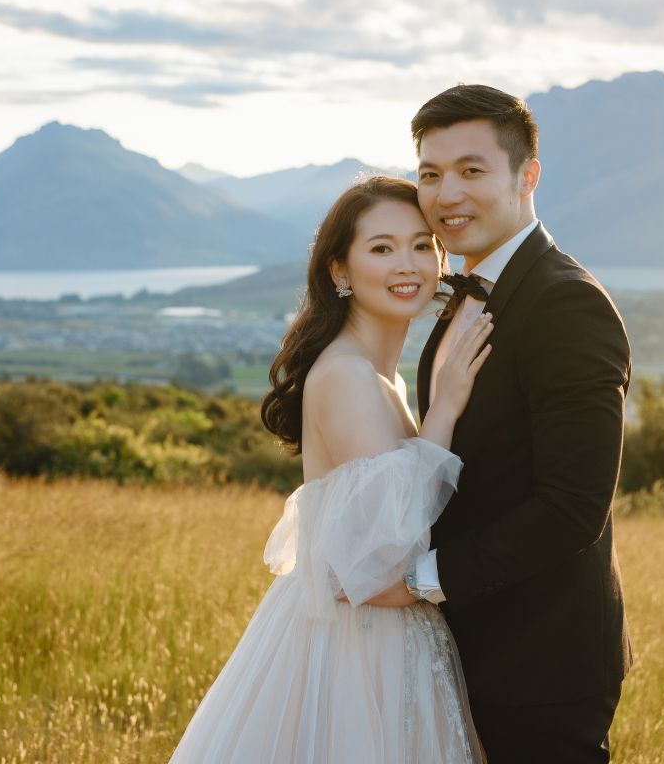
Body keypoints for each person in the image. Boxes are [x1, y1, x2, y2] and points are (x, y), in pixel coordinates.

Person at [167, 176, 492, 763]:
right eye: (382, 247)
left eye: (422, 245)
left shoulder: (382, 377)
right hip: (354, 654)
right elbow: (388, 557)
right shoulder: (346, 375)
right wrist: (444, 409)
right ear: (340, 271)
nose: (408, 264)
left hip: (390, 643)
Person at [396, 84, 634, 762]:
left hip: (541, 661)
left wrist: (420, 581)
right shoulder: (465, 291)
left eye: (472, 171)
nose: (447, 195)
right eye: (431, 174)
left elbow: (572, 506)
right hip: (465, 645)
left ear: (527, 176)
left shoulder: (565, 306)